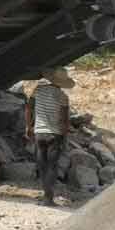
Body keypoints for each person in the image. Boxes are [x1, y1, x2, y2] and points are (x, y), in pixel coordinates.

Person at [25, 68, 74, 206]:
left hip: (39, 133)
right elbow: (64, 120)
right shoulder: (63, 96)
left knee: (42, 165)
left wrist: (29, 126)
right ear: (61, 83)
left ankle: (45, 195)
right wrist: (64, 137)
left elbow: (28, 108)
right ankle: (48, 198)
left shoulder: (38, 90)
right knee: (52, 166)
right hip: (55, 134)